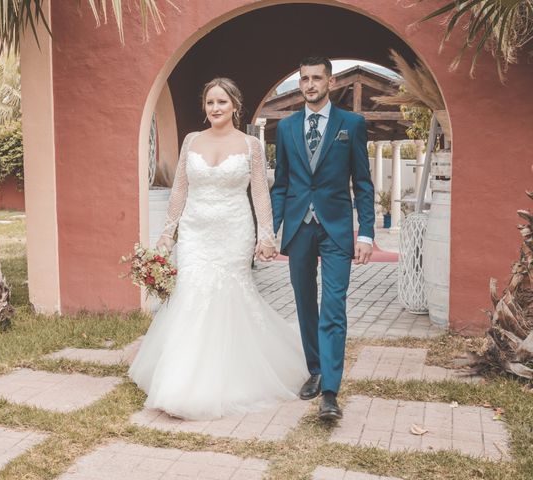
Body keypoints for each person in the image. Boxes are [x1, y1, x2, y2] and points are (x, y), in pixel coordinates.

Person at [128, 78, 307, 421]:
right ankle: (178, 383)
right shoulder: (191, 141)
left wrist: (266, 235)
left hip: (233, 231)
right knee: (192, 294)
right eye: (210, 102)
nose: (215, 108)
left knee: (226, 296)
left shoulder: (251, 145)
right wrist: (169, 233)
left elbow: (259, 193)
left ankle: (229, 377)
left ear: (235, 106)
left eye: (221, 102)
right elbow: (180, 188)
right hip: (195, 232)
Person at [270, 56, 375, 421]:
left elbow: (362, 183)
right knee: (305, 303)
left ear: (329, 82)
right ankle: (315, 368)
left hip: (336, 228)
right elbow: (281, 184)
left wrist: (366, 233)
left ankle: (330, 391)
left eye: (316, 78)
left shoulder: (352, 124)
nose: (310, 84)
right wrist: (271, 229)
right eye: (304, 79)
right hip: (299, 227)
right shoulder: (286, 128)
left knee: (333, 306)